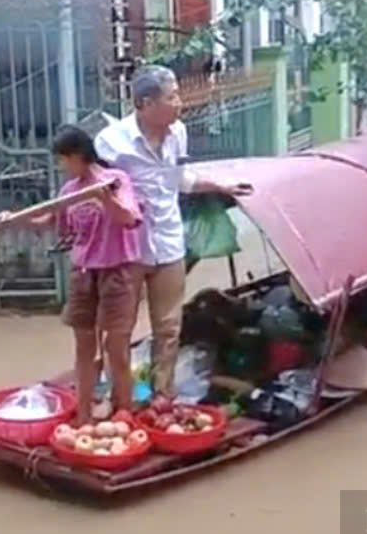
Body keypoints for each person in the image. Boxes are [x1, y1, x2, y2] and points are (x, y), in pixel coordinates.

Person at [95, 65, 252, 399]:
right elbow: (95, 195)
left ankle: (161, 397)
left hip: (168, 242)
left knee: (168, 327)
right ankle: (119, 399)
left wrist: (222, 185)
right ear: (145, 103)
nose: (180, 102)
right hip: (127, 249)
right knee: (118, 329)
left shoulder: (178, 132)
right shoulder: (110, 143)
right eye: (172, 96)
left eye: (178, 94)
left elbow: (180, 180)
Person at [0, 126, 143, 423]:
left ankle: (124, 411)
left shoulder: (115, 181)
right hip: (84, 273)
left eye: (64, 160)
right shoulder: (70, 191)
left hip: (117, 272)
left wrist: (105, 199)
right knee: (84, 347)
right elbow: (48, 220)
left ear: (78, 156)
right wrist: (12, 221)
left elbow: (128, 218)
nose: (62, 167)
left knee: (117, 347)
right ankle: (84, 415)